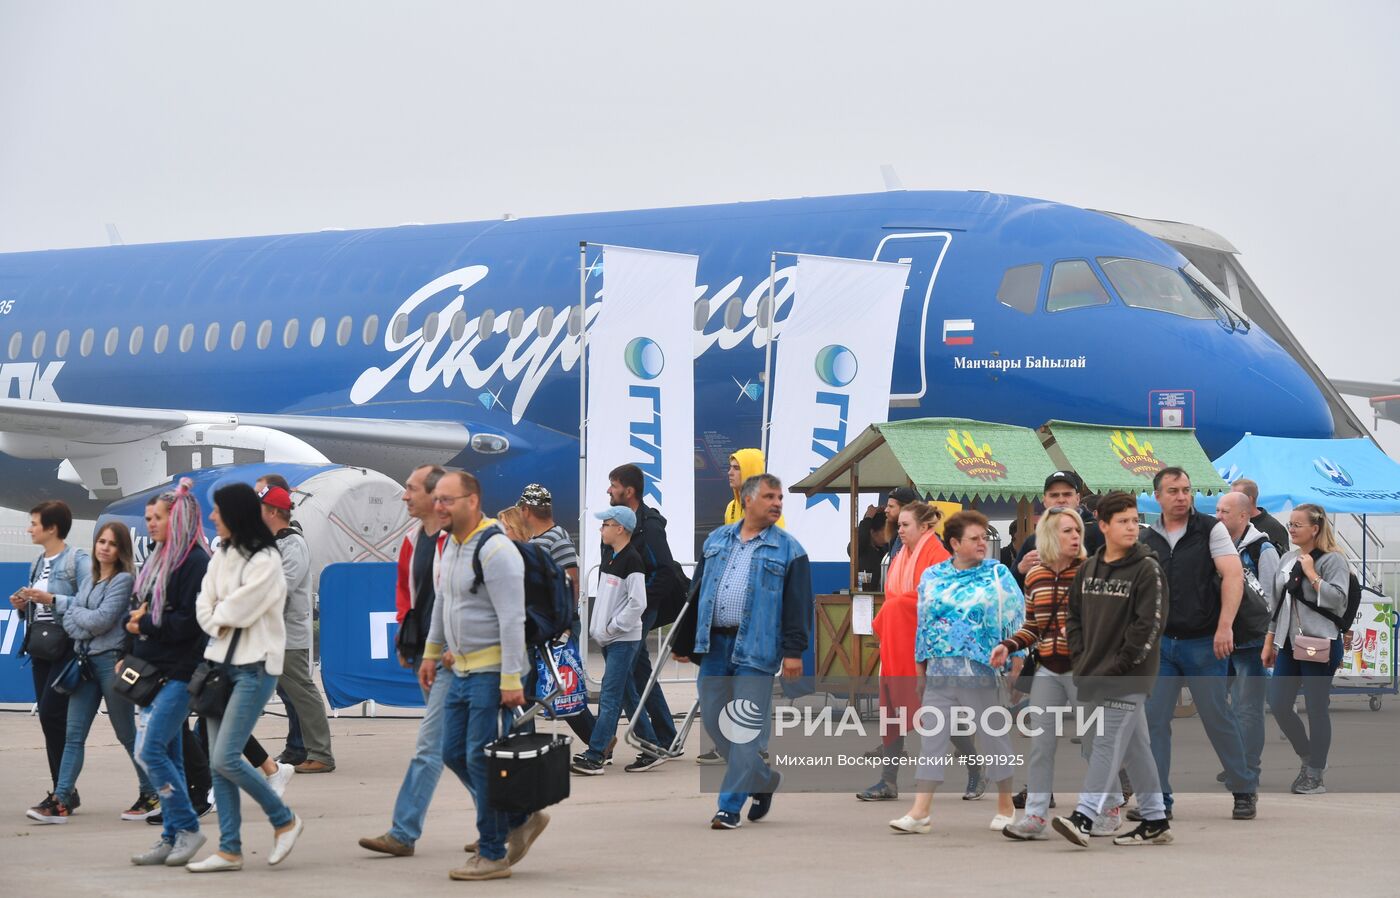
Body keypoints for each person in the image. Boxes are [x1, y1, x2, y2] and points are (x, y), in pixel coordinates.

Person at [421, 471, 548, 881]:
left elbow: (512, 619)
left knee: (484, 758)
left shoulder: (497, 551)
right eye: (436, 499)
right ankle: (520, 817)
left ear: (472, 501)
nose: (439, 506)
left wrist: (511, 678)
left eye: (448, 500)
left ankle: (492, 852)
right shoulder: (455, 546)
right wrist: (430, 652)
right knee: (454, 752)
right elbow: (444, 601)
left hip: (492, 674)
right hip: (459, 668)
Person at [671, 473, 810, 830]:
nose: (777, 503)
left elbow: (797, 607)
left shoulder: (790, 549)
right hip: (714, 645)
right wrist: (684, 641)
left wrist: (793, 652)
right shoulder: (717, 539)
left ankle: (728, 807)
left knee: (743, 730)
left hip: (757, 649)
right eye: (769, 496)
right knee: (717, 725)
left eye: (780, 497)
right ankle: (762, 779)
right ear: (748, 500)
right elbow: (697, 592)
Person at [187, 482, 302, 873]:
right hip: (220, 666)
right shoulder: (221, 553)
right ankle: (230, 849)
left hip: (255, 668)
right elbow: (204, 601)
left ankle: (283, 818)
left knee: (224, 757)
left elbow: (240, 609)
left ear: (235, 513)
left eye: (217, 510)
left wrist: (218, 614)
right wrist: (217, 614)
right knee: (220, 762)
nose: (212, 517)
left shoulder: (267, 559)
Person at [889, 511, 1023, 835]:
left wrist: (1017, 659)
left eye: (984, 538)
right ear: (954, 543)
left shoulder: (997, 573)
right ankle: (921, 811)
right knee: (931, 740)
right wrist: (920, 668)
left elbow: (1017, 615)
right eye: (974, 539)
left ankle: (1006, 804)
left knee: (993, 738)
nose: (982, 544)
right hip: (939, 669)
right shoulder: (933, 577)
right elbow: (924, 623)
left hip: (981, 668)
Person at [1051, 491, 1172, 847]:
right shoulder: (1089, 569)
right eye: (1123, 521)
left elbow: (1149, 626)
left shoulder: (1148, 568)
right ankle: (1155, 819)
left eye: (1135, 520)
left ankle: (1084, 816)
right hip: (1094, 670)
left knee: (1105, 741)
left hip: (1129, 674)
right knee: (1136, 748)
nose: (1132, 527)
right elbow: (1072, 616)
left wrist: (1119, 666)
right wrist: (1079, 654)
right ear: (1103, 525)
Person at [1140, 467, 1258, 821]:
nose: (1181, 497)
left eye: (1186, 490)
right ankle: (1160, 801)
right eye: (1173, 491)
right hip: (1162, 646)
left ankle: (1243, 789)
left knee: (1217, 718)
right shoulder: (1148, 538)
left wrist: (1225, 627)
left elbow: (1233, 576)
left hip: (1205, 643)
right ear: (1157, 496)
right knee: (1154, 721)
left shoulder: (1210, 528)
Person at [25, 522, 153, 825]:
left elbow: (101, 620)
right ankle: (62, 799)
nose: (105, 547)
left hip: (110, 663)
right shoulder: (91, 579)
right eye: (101, 542)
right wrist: (79, 616)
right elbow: (74, 622)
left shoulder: (122, 580)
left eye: (111, 543)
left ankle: (151, 792)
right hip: (84, 663)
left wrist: (76, 615)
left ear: (120, 549)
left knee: (126, 733)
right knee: (73, 735)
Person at [358, 464, 451, 859]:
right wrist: (405, 635)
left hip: (453, 656)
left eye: (411, 488)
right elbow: (405, 591)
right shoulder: (414, 539)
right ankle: (514, 818)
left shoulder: (460, 539)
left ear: (434, 495)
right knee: (461, 750)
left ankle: (403, 831)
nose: (404, 495)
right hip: (426, 652)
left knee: (429, 747)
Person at [998, 507, 1101, 840]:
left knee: (1093, 743)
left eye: (1077, 532)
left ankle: (1108, 807)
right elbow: (1032, 624)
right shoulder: (1035, 576)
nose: (1075, 537)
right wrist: (1010, 645)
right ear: (1048, 536)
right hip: (1046, 668)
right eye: (1066, 531)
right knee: (1041, 745)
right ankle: (1036, 817)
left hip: (1083, 670)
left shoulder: (1090, 572)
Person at [127, 481, 213, 867]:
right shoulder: (158, 558)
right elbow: (144, 612)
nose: (151, 524)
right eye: (147, 518)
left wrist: (146, 626)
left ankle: (188, 828)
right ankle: (171, 835)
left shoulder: (195, 561)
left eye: (158, 517)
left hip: (180, 673)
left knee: (149, 751)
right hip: (154, 670)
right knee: (169, 756)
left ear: (177, 518)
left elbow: (191, 624)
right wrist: (135, 638)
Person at [857, 501, 948, 801]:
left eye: (905, 525)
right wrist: (895, 613)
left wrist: (895, 610)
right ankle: (888, 781)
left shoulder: (939, 556)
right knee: (893, 709)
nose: (900, 530)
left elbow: (935, 601)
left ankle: (976, 770)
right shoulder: (898, 557)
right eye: (899, 525)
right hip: (898, 645)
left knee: (943, 717)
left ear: (924, 527)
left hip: (929, 649)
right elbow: (895, 598)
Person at [12, 500, 92, 818]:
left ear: (52, 528)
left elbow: (89, 600)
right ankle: (63, 789)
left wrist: (52, 598)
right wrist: (23, 604)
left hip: (66, 646)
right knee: (50, 720)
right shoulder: (37, 562)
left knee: (50, 713)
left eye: (34, 523)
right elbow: (37, 607)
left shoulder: (76, 560)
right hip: (41, 648)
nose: (30, 528)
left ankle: (64, 792)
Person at [1265, 503, 1349, 795]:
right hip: (1289, 643)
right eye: (1290, 524)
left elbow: (1338, 600)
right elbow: (1279, 602)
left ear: (1315, 528)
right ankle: (1309, 757)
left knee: (1316, 708)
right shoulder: (1287, 557)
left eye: (1297, 524)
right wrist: (1270, 639)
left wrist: (1313, 574)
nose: (1291, 529)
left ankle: (1315, 773)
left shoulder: (1333, 559)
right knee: (1277, 703)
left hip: (1320, 643)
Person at [256, 480, 336, 775]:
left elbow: (282, 586)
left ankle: (321, 754)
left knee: (302, 692)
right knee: (293, 693)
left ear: (273, 511)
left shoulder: (292, 543)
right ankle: (302, 749)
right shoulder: (276, 543)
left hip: (289, 634)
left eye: (261, 507)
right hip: (275, 634)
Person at [571, 506, 660, 774]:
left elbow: (637, 603)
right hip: (612, 639)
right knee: (627, 694)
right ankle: (651, 746)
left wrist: (612, 628)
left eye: (606, 524)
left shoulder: (632, 560)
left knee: (610, 695)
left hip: (623, 639)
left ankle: (596, 754)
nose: (602, 529)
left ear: (620, 528)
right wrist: (604, 630)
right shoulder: (612, 556)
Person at [603, 464, 681, 758]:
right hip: (625, 608)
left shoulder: (648, 526)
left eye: (613, 484)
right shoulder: (617, 522)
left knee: (622, 673)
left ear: (629, 490)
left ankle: (645, 742)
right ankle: (666, 737)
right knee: (639, 673)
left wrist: (639, 603)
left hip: (639, 609)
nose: (608, 490)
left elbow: (665, 571)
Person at [517, 484, 600, 758]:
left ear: (527, 510)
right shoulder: (535, 539)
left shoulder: (556, 538)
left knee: (563, 690)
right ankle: (525, 741)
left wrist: (564, 624)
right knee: (532, 688)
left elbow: (572, 582)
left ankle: (600, 738)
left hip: (555, 626)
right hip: (539, 625)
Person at [1214, 491, 1278, 788]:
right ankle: (1236, 762)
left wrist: (1270, 639)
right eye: (1217, 510)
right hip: (1222, 639)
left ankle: (1248, 766)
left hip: (1251, 641)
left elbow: (1272, 599)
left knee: (1247, 707)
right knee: (1223, 708)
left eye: (1224, 511)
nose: (1218, 516)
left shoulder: (1262, 550)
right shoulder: (1216, 547)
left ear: (1243, 515)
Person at [1015, 471, 1105, 583]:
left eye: (1067, 494)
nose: (1061, 500)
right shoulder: (1034, 540)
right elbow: (1011, 587)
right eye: (1054, 495)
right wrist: (1020, 569)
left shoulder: (1098, 532)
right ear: (1044, 500)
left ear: (1077, 499)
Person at [1230, 478, 1290, 550]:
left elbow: (1283, 559)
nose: (1230, 501)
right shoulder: (1232, 524)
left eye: (1235, 497)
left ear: (1249, 499)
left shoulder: (1274, 528)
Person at [851, 507, 890, 590]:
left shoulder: (884, 551)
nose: (887, 537)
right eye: (884, 532)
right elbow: (859, 541)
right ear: (872, 532)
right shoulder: (861, 550)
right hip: (865, 597)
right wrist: (868, 518)